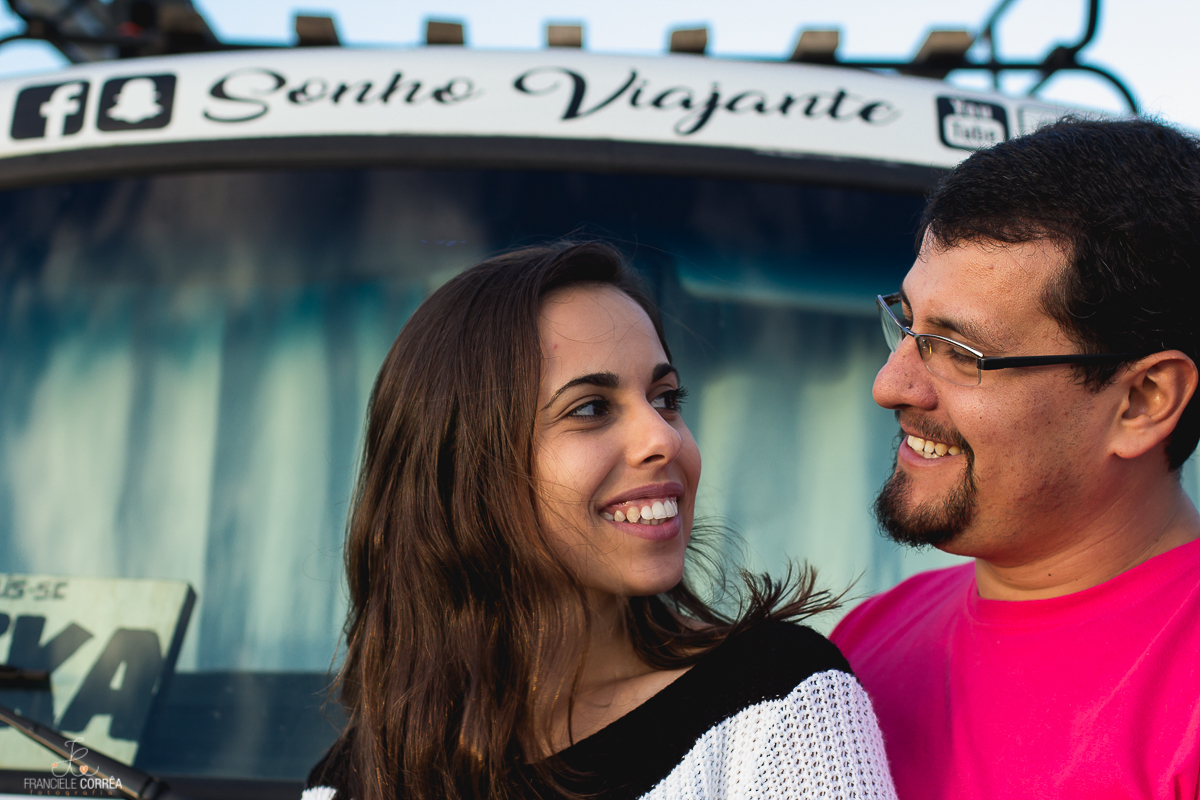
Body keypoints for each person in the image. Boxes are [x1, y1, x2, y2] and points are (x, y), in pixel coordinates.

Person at [302, 242, 897, 800]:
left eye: (666, 398)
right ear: (464, 470)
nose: (662, 437)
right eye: (590, 409)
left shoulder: (776, 704)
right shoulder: (355, 778)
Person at [831, 118, 1200, 799]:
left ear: (1143, 400)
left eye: (958, 351)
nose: (890, 384)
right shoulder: (858, 649)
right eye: (907, 323)